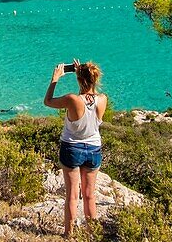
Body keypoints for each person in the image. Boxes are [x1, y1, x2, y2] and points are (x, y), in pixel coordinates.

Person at [44, 60, 107, 239]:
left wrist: (55, 78)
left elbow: (47, 101)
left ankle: (69, 235)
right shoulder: (102, 100)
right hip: (94, 149)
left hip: (72, 148)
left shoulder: (72, 99)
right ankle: (91, 234)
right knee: (89, 196)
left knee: (72, 196)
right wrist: (81, 73)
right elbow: (89, 96)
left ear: (79, 79)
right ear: (95, 79)